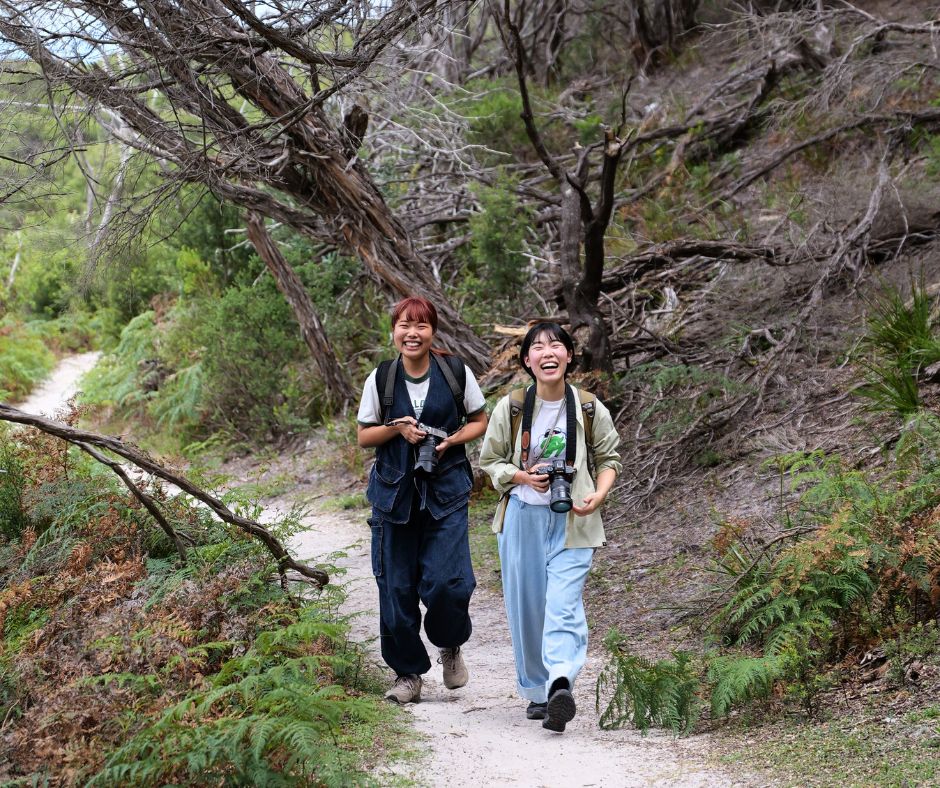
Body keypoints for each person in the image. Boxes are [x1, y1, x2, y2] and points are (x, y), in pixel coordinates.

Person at [479, 322, 621, 732]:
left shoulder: (590, 407)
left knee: (563, 604)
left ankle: (561, 681)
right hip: (522, 517)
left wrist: (599, 494)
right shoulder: (512, 407)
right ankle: (538, 692)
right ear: (527, 361)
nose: (548, 352)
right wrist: (523, 477)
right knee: (527, 608)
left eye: (556, 344)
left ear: (569, 356)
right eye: (537, 347)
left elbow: (610, 458)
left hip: (574, 519)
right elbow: (491, 462)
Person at [357, 296, 488, 704]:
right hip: (394, 498)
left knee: (449, 582)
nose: (412, 333)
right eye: (404, 325)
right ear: (393, 331)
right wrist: (397, 429)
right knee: (395, 588)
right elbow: (364, 436)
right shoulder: (381, 378)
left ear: (433, 332)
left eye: (421, 326)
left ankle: (449, 645)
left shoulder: (454, 372)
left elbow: (479, 420)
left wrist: (450, 440)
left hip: (446, 492)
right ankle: (408, 674)